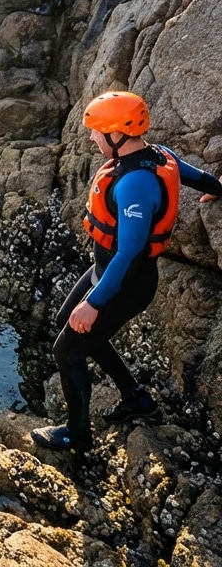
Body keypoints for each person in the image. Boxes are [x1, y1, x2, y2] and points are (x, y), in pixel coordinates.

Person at [31, 92, 221, 453]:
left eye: (96, 131)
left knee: (68, 351)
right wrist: (218, 188)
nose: (91, 137)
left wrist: (94, 303)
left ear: (117, 134)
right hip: (104, 270)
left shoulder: (136, 183)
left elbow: (130, 252)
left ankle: (77, 434)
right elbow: (198, 178)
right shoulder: (159, 154)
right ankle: (136, 398)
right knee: (67, 324)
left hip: (127, 282)